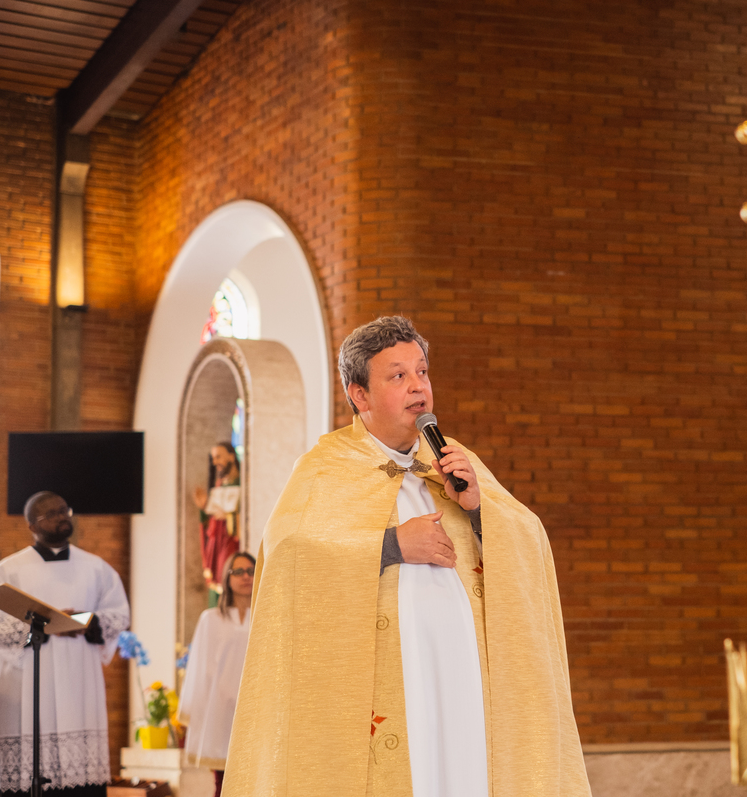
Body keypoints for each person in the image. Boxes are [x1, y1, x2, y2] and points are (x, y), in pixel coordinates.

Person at [223, 316, 590, 797]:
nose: (418, 387)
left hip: (465, 679)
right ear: (359, 395)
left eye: (422, 372)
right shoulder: (324, 467)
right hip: (391, 686)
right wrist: (393, 545)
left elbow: (530, 544)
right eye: (398, 376)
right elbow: (290, 555)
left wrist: (479, 511)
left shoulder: (456, 460)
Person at [0, 491, 130, 797]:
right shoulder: (9, 570)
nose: (63, 517)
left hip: (78, 674)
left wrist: (88, 620)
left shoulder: (96, 568)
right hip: (27, 677)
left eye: (65, 511)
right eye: (52, 514)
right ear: (31, 525)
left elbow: (119, 614)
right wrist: (44, 624)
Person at [177, 552, 255, 797]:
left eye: (251, 571)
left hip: (257, 704)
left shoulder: (268, 615)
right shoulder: (211, 619)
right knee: (224, 780)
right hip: (220, 706)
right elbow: (202, 668)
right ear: (226, 578)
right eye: (238, 571)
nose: (246, 577)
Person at [192, 442, 241, 599]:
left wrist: (228, 516)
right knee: (216, 581)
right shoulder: (218, 485)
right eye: (213, 458)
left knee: (228, 579)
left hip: (231, 542)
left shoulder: (243, 484)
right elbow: (210, 520)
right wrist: (204, 507)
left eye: (219, 457)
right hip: (216, 543)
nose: (215, 462)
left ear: (232, 456)